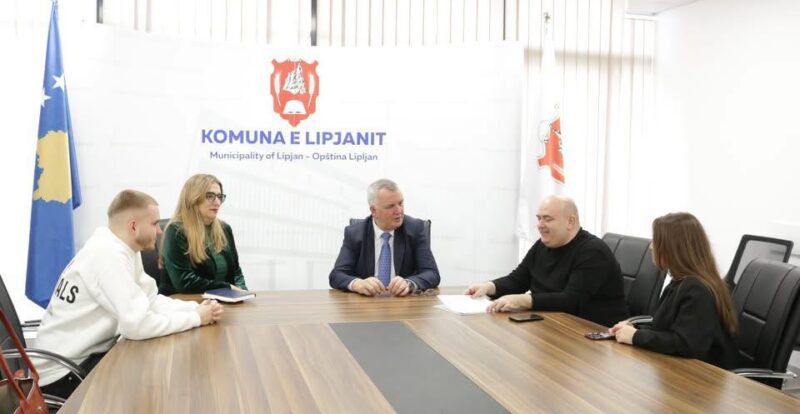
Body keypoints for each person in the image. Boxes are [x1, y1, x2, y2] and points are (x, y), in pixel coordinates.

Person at [36, 190, 223, 399]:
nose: (159, 231)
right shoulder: (107, 256)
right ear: (133, 226)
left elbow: (149, 300)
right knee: (157, 388)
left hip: (83, 358)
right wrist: (196, 318)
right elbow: (138, 325)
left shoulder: (122, 249)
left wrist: (195, 309)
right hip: (63, 374)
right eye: (154, 224)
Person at [466, 195, 628, 327]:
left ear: (570, 222)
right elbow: (518, 280)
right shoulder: (543, 244)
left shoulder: (593, 251)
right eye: (539, 218)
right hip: (550, 324)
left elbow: (571, 301)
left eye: (547, 219)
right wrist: (489, 287)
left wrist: (523, 300)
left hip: (589, 334)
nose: (540, 225)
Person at [609, 212, 739, 369]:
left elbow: (686, 344)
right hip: (680, 369)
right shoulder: (680, 282)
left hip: (701, 376)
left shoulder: (696, 290)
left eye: (656, 241)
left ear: (673, 248)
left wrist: (636, 336)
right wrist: (633, 328)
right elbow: (665, 329)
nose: (651, 246)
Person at [329, 179, 440, 296]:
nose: (399, 211)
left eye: (400, 203)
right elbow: (336, 275)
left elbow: (432, 273)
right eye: (390, 206)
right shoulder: (355, 233)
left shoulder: (415, 228)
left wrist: (409, 283)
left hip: (403, 301)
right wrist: (358, 284)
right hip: (367, 302)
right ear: (373, 210)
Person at [160, 174, 248, 294]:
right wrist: (227, 287)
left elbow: (236, 271)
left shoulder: (225, 229)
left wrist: (242, 292)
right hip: (184, 301)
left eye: (219, 196)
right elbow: (184, 282)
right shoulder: (176, 231)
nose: (217, 202)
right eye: (210, 196)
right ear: (193, 198)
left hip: (221, 299)